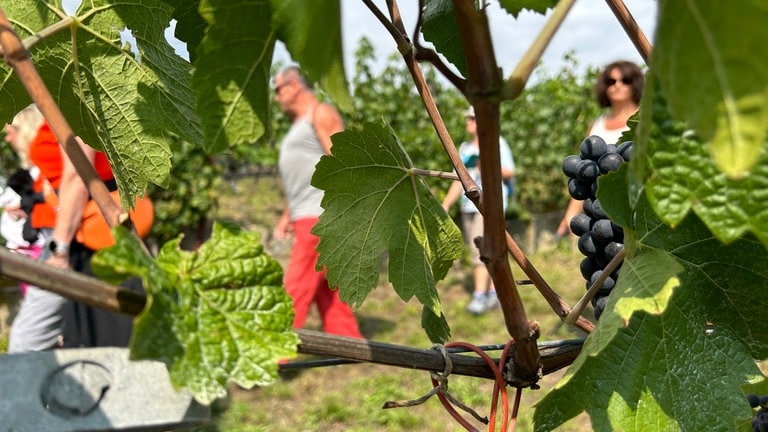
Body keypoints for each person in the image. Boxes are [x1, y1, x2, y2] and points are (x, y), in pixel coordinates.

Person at [7, 104, 140, 352]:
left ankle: (23, 388)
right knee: (85, 330)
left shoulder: (73, 105)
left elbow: (78, 178)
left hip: (83, 235)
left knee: (29, 341)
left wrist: (60, 249)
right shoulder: (58, 105)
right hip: (77, 234)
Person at [272, 66, 363, 338]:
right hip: (306, 214)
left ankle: (271, 354)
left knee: (295, 286)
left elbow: (343, 165)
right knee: (328, 289)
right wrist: (288, 215)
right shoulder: (299, 124)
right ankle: (350, 345)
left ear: (293, 85)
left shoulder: (320, 114)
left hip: (320, 217)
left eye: (278, 90)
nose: (276, 98)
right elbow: (305, 176)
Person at [556, 60, 644, 238]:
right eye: (611, 81)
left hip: (637, 206)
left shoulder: (646, 119)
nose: (617, 85)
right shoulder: (596, 125)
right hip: (599, 210)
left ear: (635, 84)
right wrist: (570, 213)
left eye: (625, 80)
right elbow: (584, 172)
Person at [442, 106, 516, 315]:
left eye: (472, 118)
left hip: (488, 206)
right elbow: (457, 180)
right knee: (486, 250)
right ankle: (495, 292)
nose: (468, 122)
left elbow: (509, 173)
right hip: (468, 206)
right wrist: (447, 203)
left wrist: (487, 163)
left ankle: (480, 294)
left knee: (480, 251)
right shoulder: (465, 148)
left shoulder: (497, 143)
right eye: (467, 118)